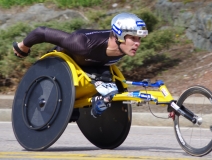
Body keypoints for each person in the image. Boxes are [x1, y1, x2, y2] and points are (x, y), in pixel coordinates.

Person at [13, 12, 148, 118]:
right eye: (133, 38)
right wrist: (23, 46)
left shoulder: (124, 46)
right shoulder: (82, 44)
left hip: (96, 63)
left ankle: (92, 103)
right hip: (70, 61)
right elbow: (41, 32)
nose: (137, 44)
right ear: (119, 36)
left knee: (111, 88)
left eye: (139, 39)